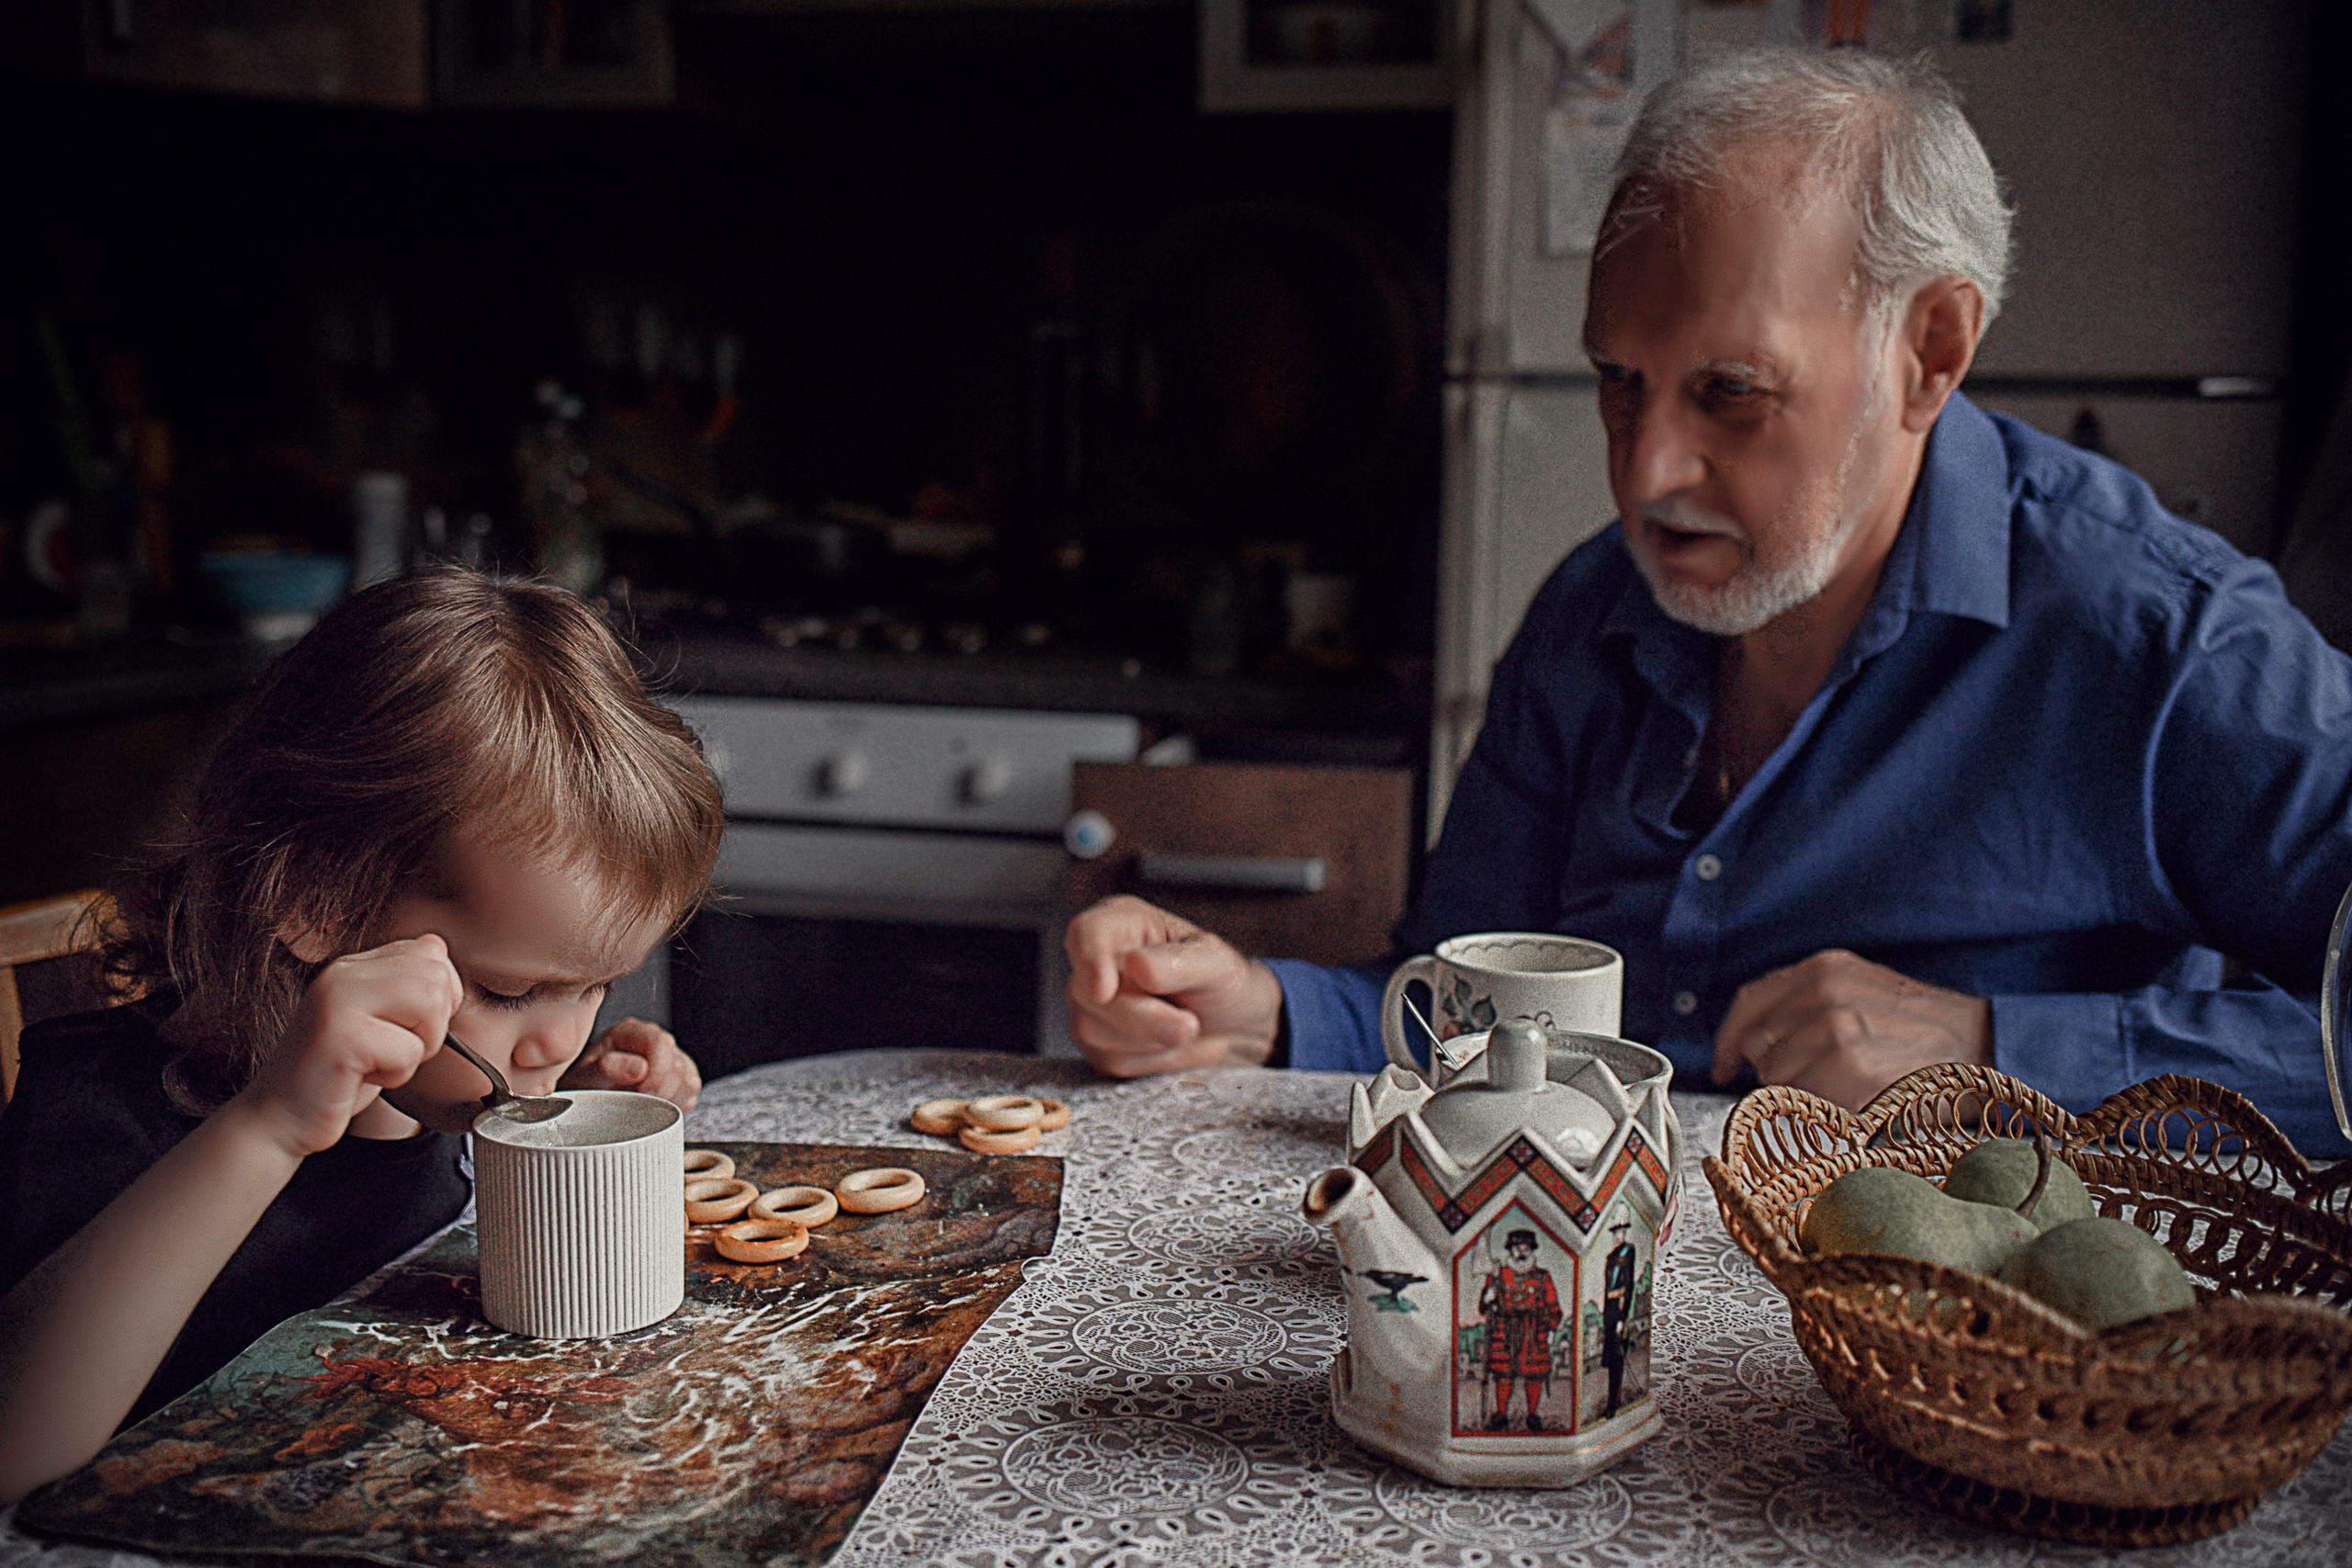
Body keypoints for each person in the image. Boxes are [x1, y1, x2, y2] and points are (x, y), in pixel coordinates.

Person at [1063, 47, 2352, 1157]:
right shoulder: (1586, 613)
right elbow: (1464, 1015)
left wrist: (1993, 1051)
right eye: (1622, 383)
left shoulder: (2158, 632)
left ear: (1931, 353)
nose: (1647, 472)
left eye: (1731, 391)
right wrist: (1257, 1012)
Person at [0, 569, 725, 1502]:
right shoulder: (99, 1123)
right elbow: (16, 1453)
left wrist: (577, 1098)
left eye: (592, 988)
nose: (551, 1043)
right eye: (510, 992)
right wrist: (267, 1126)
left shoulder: (423, 1093)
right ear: (318, 901)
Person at [1478, 1229, 1561, 1432]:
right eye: (1517, 1248)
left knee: (1534, 1374)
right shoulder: (1498, 1274)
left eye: (1526, 1248)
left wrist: (1551, 1329)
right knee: (1503, 1374)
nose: (1521, 1252)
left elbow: (1553, 1306)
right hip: (1505, 1330)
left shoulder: (1543, 1276)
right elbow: (1482, 1308)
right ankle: (1501, 1415)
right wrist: (1487, 1297)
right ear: (1510, 1250)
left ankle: (1533, 1416)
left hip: (1534, 1331)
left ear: (1532, 1250)